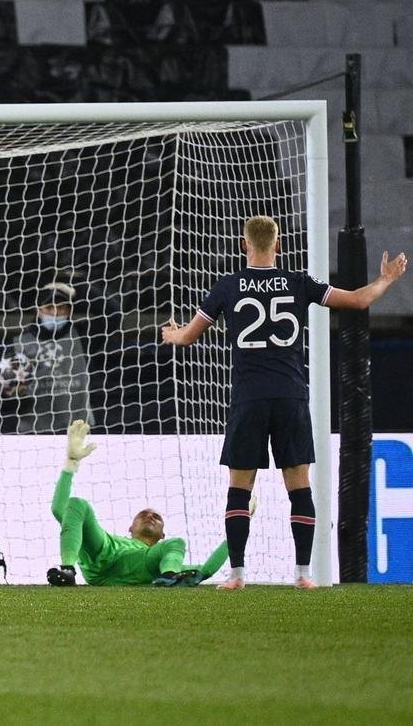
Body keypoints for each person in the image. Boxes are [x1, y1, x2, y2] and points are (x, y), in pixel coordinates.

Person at [163, 215, 407, 590]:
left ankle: (237, 575)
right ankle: (303, 574)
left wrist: (172, 334)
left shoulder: (228, 286)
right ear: (278, 245)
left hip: (249, 398)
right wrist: (386, 279)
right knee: (299, 487)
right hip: (290, 395)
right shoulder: (297, 282)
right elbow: (358, 300)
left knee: (239, 487)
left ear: (244, 245)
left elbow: (188, 337)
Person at [46, 420, 235, 587]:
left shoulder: (160, 557)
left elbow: (205, 570)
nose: (150, 516)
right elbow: (59, 509)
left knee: (177, 542)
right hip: (102, 553)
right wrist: (71, 463)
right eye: (143, 514)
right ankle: (67, 570)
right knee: (77, 503)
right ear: (130, 528)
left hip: (144, 563)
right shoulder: (111, 543)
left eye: (156, 517)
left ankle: (169, 578)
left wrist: (238, 523)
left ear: (162, 535)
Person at [0, 282, 92, 434]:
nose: (55, 312)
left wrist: (78, 292)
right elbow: (4, 403)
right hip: (35, 431)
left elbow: (114, 314)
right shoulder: (19, 344)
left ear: (69, 310)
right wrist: (14, 392)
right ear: (39, 310)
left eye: (61, 307)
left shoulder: (82, 336)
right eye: (49, 307)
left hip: (77, 430)